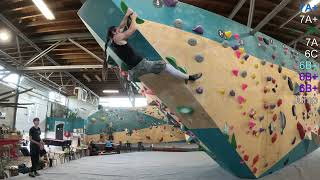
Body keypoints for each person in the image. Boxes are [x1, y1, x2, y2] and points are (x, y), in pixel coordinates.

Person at [105, 8, 202, 82]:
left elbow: (121, 26)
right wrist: (133, 18)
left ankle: (130, 77)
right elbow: (132, 29)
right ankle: (189, 77)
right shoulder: (118, 37)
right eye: (116, 29)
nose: (119, 29)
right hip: (141, 65)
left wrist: (126, 15)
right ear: (114, 33)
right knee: (166, 66)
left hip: (134, 68)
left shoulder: (113, 41)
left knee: (136, 73)